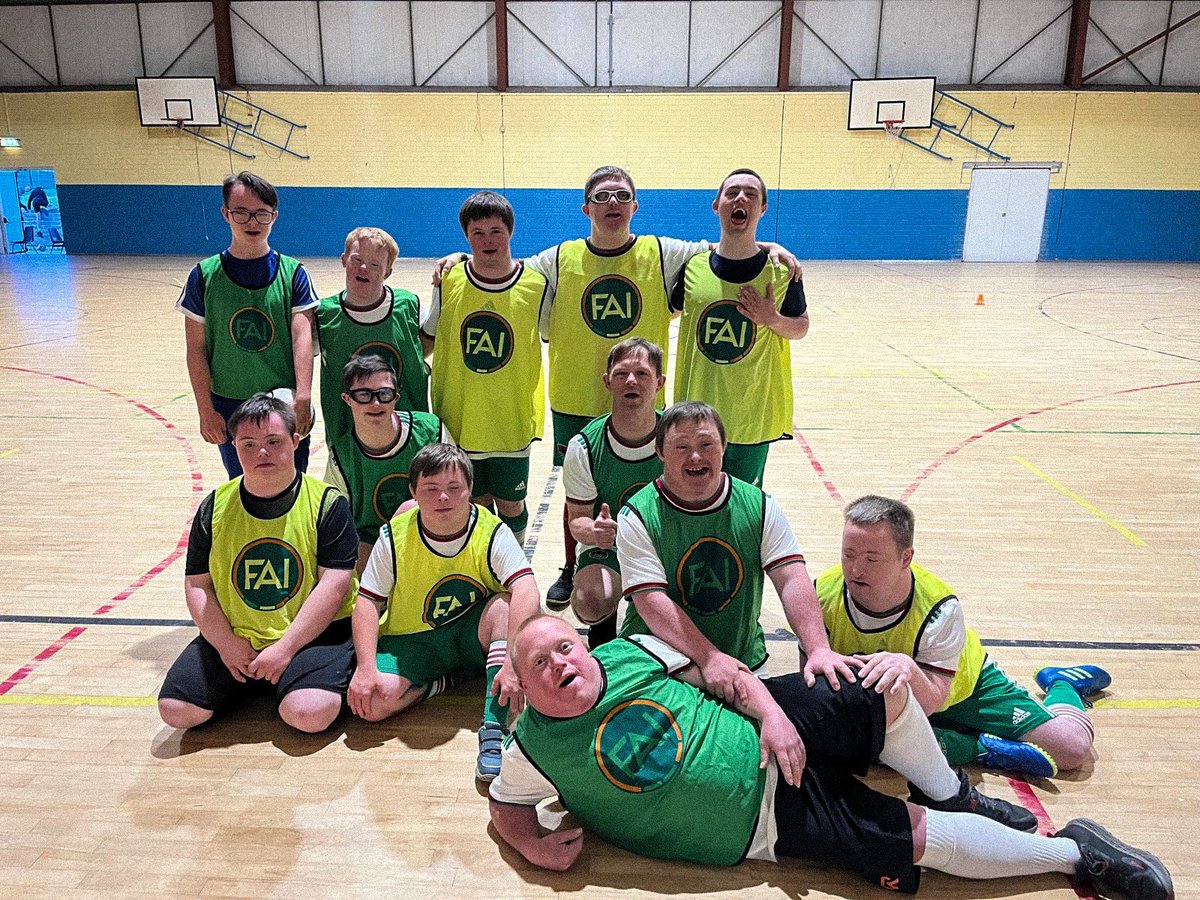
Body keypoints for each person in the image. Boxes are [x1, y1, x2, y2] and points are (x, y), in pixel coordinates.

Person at [488, 616, 1172, 900]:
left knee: (869, 680)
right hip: (764, 825)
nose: (560, 664)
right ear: (522, 681)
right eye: (540, 662)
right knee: (913, 844)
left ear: (584, 645)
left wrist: (776, 718)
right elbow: (505, 808)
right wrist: (534, 851)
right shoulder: (534, 750)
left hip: (761, 734)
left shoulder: (629, 651)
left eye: (565, 648)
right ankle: (1078, 855)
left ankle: (950, 789)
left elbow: (725, 671)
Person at [432, 166, 802, 610]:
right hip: (576, 397)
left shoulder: (664, 253)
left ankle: (653, 568)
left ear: (635, 206)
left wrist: (769, 247)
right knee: (579, 494)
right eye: (602, 196)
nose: (612, 204)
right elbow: (502, 268)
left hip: (640, 399)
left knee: (652, 488)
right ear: (586, 207)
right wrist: (456, 258)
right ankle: (575, 566)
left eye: (621, 196)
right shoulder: (557, 259)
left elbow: (726, 249)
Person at [817, 495, 1109, 779]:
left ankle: (1064, 684)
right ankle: (978, 748)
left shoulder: (939, 607)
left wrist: (908, 668)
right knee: (845, 745)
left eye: (872, 559)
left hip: (962, 689)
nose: (855, 569)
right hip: (892, 704)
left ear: (905, 557)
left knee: (1071, 750)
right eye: (848, 554)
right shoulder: (820, 595)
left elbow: (931, 699)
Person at [616, 401, 855, 700]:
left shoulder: (760, 505)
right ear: (660, 452)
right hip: (663, 661)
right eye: (681, 447)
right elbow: (651, 602)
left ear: (724, 446)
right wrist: (709, 658)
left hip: (743, 663)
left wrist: (818, 648)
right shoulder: (637, 515)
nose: (695, 456)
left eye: (707, 444)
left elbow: (791, 577)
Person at [157, 393, 358, 733]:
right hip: (240, 635)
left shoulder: (327, 503)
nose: (261, 452)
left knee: (308, 715)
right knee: (176, 711)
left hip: (314, 635)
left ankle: (288, 677)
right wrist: (226, 645)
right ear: (234, 446)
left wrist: (285, 649)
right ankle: (255, 677)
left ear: (295, 442)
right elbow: (197, 584)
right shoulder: (215, 506)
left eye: (273, 441)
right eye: (248, 444)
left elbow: (334, 585)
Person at [350, 444, 541, 781]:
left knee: (505, 606)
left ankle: (493, 728)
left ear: (470, 489)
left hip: (470, 633)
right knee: (372, 707)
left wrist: (514, 662)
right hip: (413, 640)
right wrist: (365, 668)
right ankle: (446, 681)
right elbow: (367, 601)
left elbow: (527, 588)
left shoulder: (490, 530)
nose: (443, 498)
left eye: (454, 488)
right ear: (413, 491)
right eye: (431, 489)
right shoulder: (394, 537)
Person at [422, 191, 547, 546]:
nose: (488, 240)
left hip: (512, 419)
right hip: (461, 417)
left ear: (511, 232)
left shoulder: (536, 285)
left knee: (510, 502)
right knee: (472, 502)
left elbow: (559, 334)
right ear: (466, 237)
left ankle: (515, 567)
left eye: (496, 231)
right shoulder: (449, 280)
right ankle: (484, 567)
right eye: (478, 233)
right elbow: (427, 338)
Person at [672, 168, 809, 488]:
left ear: (761, 209)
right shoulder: (692, 266)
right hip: (696, 414)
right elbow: (665, 311)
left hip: (752, 417)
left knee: (743, 509)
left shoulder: (781, 272)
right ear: (716, 204)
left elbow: (801, 327)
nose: (741, 198)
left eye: (751, 194)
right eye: (732, 193)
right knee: (693, 500)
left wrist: (772, 319)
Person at [177, 171, 318, 477]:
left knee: (294, 481)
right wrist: (205, 410)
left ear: (274, 216)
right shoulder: (203, 276)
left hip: (283, 402)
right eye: (241, 212)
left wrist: (304, 395)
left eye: (261, 214)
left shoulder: (294, 274)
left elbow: (302, 337)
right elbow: (196, 350)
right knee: (243, 483)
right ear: (225, 214)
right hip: (229, 404)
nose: (252, 222)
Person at [561, 337, 664, 648]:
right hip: (611, 546)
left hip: (665, 542)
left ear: (659, 382)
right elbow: (576, 521)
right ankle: (603, 632)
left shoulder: (676, 437)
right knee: (591, 599)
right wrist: (595, 531)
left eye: (642, 374)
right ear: (608, 382)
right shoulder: (584, 446)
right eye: (621, 374)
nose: (631, 380)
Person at [324, 355, 449, 573]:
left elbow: (457, 495)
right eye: (364, 394)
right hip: (372, 543)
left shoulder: (431, 431)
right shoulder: (342, 454)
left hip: (431, 528)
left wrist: (406, 514)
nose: (375, 403)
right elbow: (336, 522)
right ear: (347, 398)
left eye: (384, 394)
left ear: (396, 397)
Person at [316, 226, 428, 448]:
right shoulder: (324, 314)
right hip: (348, 439)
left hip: (409, 435)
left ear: (387, 272)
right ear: (343, 260)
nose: (364, 268)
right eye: (357, 259)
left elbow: (425, 345)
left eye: (375, 264)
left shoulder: (409, 306)